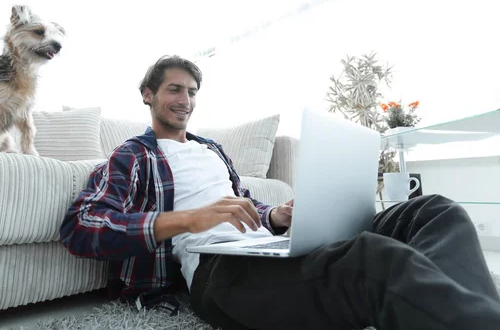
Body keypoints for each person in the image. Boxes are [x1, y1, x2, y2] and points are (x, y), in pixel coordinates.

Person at [60, 55, 500, 329]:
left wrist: (275, 217)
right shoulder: (134, 155)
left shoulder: (211, 150)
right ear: (147, 95)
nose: (186, 100)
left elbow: (245, 206)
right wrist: (189, 220)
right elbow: (82, 226)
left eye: (192, 92)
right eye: (174, 89)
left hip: (271, 246)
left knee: (433, 211)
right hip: (221, 272)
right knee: (372, 261)